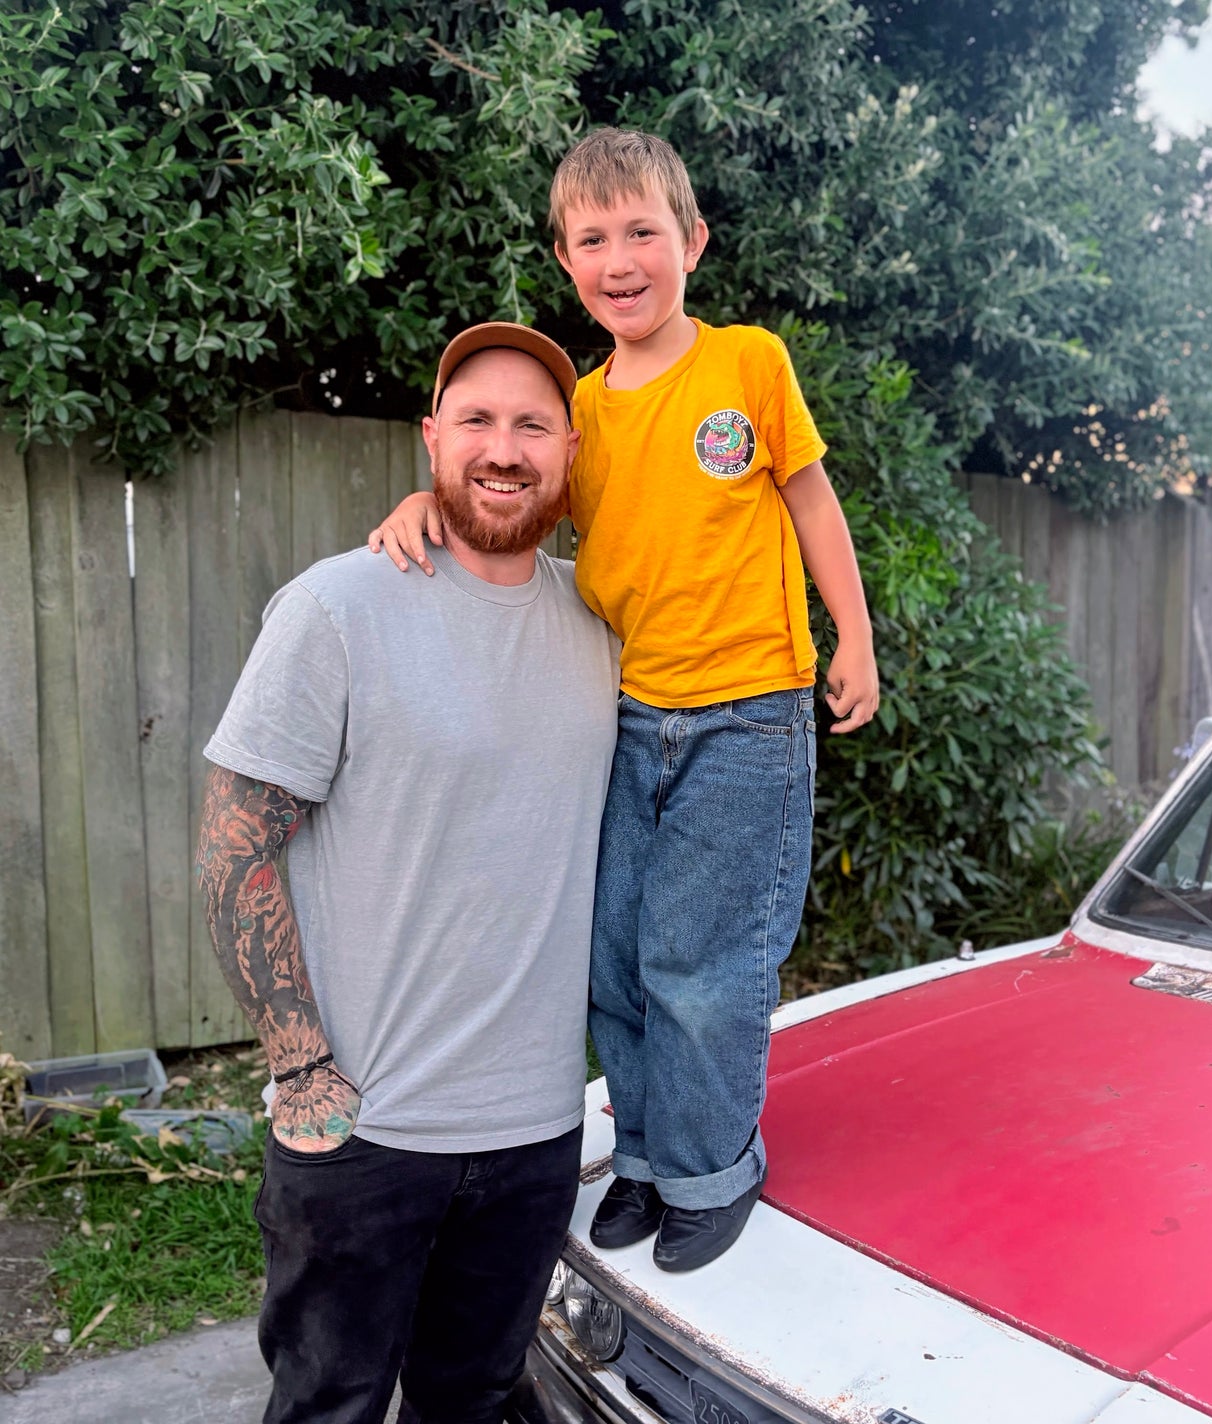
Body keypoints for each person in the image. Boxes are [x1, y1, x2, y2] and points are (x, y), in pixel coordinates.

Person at [370, 128, 879, 1273]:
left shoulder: (746, 363)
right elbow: (507, 494)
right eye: (592, 238)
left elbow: (811, 498)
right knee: (616, 959)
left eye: (642, 230)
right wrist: (424, 508)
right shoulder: (582, 412)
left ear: (691, 241)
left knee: (704, 959)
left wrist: (854, 633)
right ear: (567, 262)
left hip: (749, 715)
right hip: (627, 718)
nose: (620, 256)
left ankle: (714, 1169)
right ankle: (646, 1157)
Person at [197, 322, 619, 1424]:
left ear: (570, 453)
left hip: (534, 1132)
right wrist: (300, 1068)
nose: (504, 446)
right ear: (431, 439)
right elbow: (235, 841)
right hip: (364, 1136)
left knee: (475, 1401)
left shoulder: (609, 622)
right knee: (328, 1406)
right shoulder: (340, 606)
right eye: (476, 417)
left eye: (533, 424)